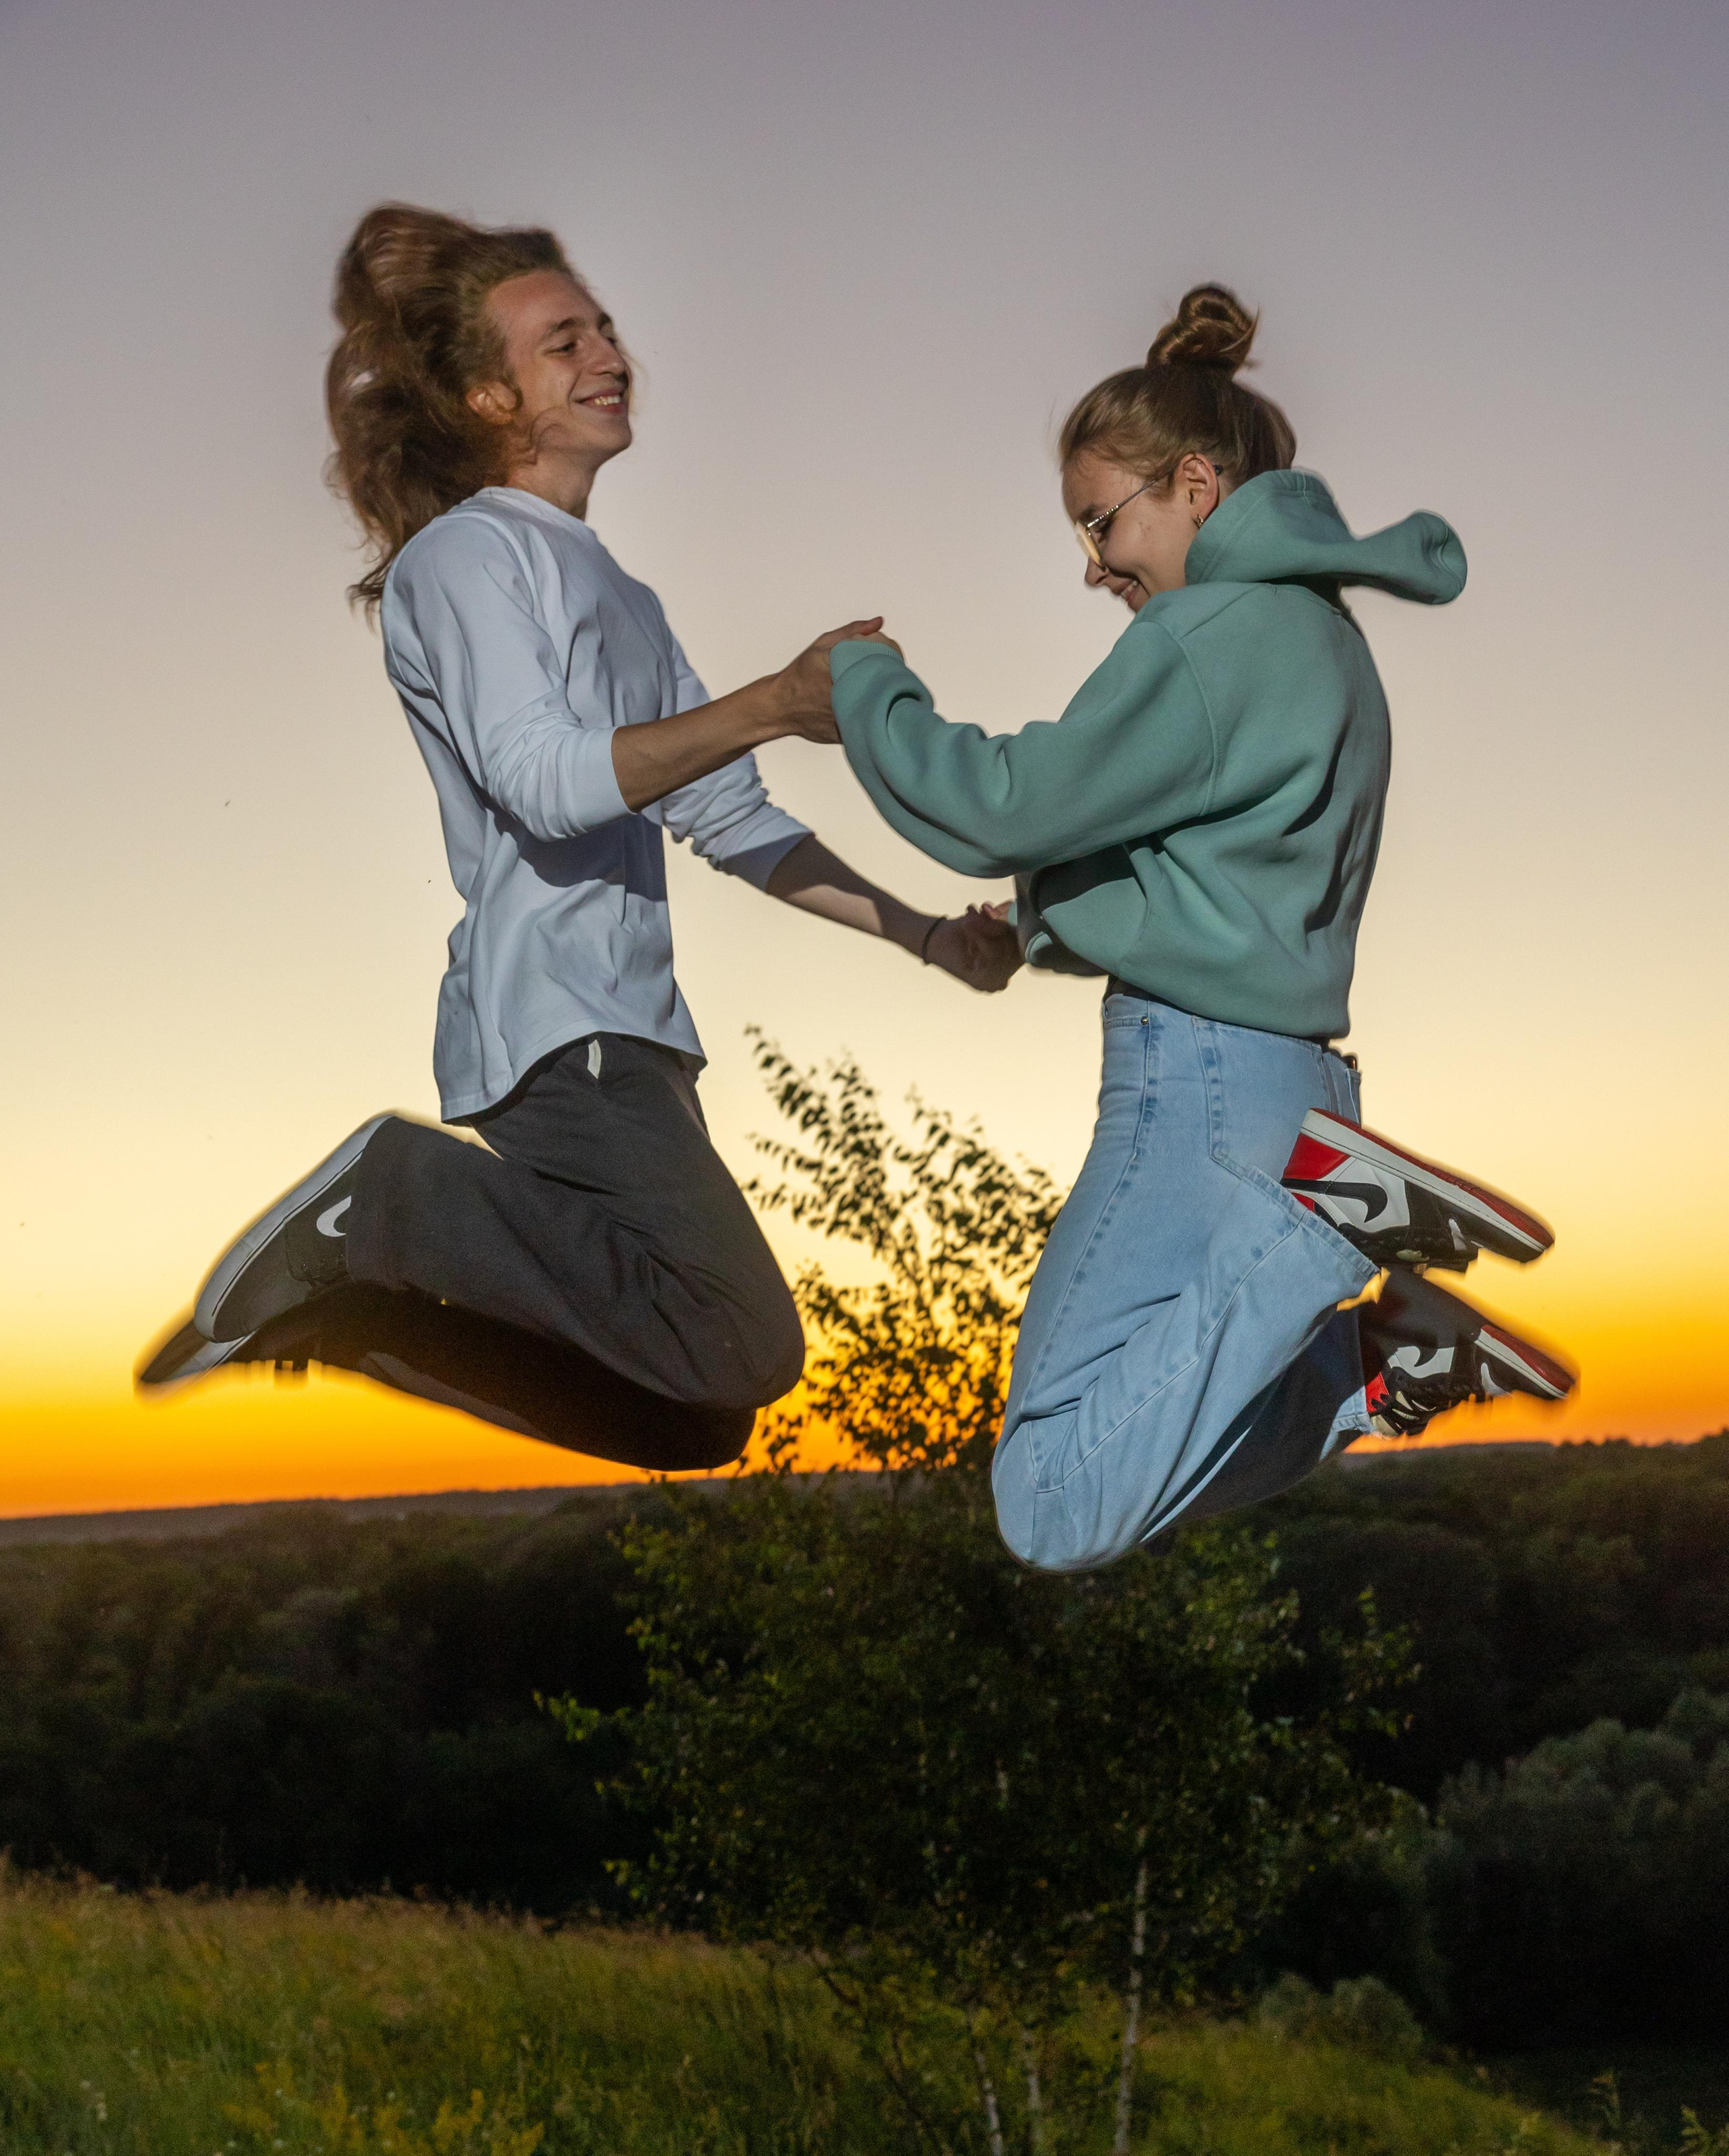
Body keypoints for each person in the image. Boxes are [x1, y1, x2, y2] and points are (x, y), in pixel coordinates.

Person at [138, 204, 1019, 1470]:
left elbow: (728, 815)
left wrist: (929, 937)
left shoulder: (619, 591)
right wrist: (773, 699)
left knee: (699, 1413)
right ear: (491, 395)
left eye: (603, 327)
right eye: (564, 342)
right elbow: (544, 784)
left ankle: (351, 1315)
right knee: (753, 1346)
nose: (608, 352)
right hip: (559, 1023)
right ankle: (393, 1192)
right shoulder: (465, 558)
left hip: (637, 1036)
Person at [820, 284, 1576, 1572]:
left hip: (1204, 1087)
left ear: (1196, 485)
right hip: (1289, 1083)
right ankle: (1380, 1361)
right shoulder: (1322, 642)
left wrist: (860, 684)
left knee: (1050, 1493)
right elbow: (1225, 886)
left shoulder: (1205, 632)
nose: (1094, 561)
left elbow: (1000, 802)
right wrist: (1046, 926)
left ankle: (1320, 1229)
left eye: (1102, 520)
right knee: (1140, 1437)